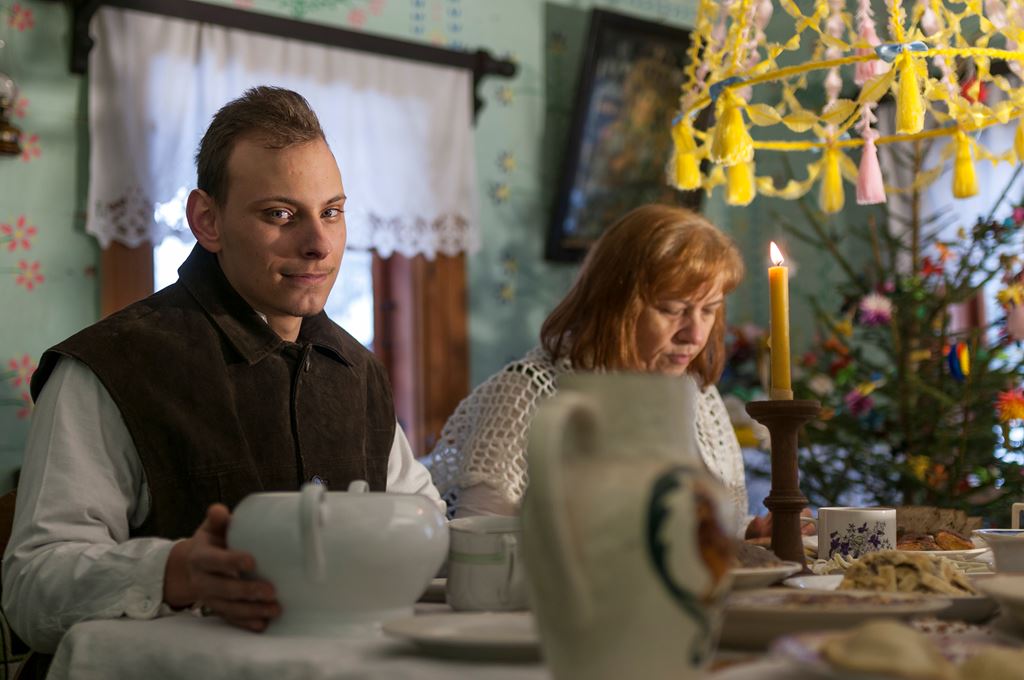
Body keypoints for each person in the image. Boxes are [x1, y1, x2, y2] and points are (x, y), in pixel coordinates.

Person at [2, 86, 442, 654]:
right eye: (281, 214)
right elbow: (31, 587)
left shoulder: (360, 373)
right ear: (207, 220)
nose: (319, 244)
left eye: (331, 212)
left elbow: (426, 524)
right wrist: (172, 572)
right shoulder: (111, 367)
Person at [428, 204, 749, 529]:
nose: (695, 335)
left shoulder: (698, 395)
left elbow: (713, 529)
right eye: (672, 309)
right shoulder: (527, 395)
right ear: (615, 303)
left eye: (709, 310)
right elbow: (482, 542)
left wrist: (747, 533)